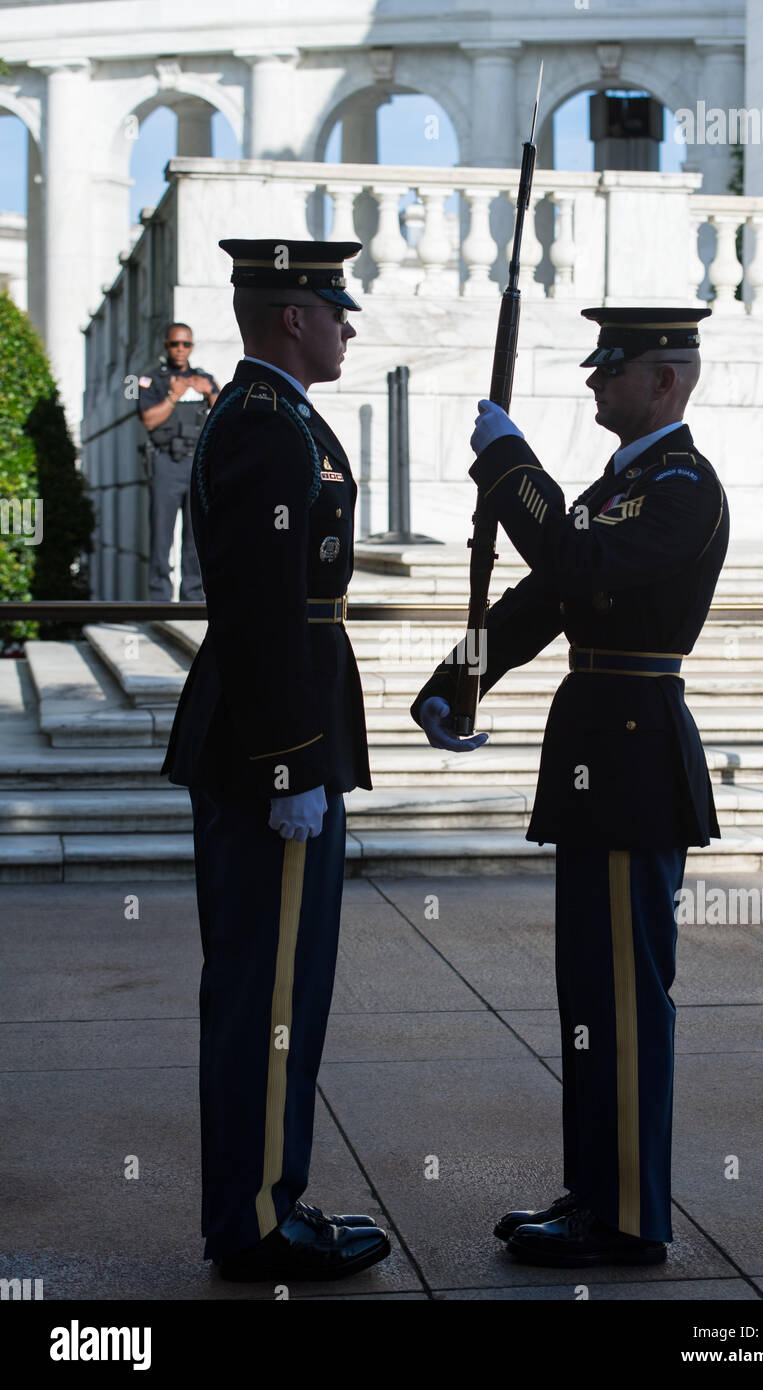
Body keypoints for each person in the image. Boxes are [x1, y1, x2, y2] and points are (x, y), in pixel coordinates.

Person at [411, 306, 729, 1268]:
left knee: (627, 996)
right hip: (597, 760)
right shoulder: (622, 482)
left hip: (636, 763)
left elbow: (572, 557)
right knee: (588, 993)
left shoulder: (682, 489)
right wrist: (457, 677)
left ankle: (631, 1215)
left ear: (665, 382)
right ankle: (595, 1188)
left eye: (613, 369)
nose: (595, 382)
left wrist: (509, 465)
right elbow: (541, 601)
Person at [161, 239, 389, 1283]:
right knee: (271, 992)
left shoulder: (273, 417)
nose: (347, 323)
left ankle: (263, 1201)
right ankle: (256, 1220)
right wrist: (294, 765)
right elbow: (262, 611)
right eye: (333, 307)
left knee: (272, 984)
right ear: (290, 315)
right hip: (271, 747)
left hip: (275, 734)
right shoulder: (266, 428)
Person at [138, 324, 219, 600]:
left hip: (197, 464)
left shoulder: (204, 378)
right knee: (161, 535)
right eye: (175, 344)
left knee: (196, 536)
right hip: (166, 463)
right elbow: (149, 420)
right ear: (166, 346)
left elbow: (225, 414)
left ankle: (193, 596)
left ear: (192, 347)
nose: (180, 350)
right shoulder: (152, 380)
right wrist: (174, 395)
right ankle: (159, 597)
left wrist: (209, 393)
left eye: (186, 344)